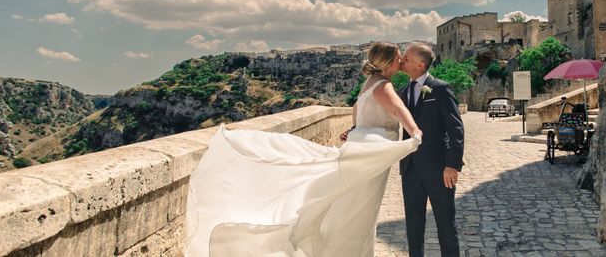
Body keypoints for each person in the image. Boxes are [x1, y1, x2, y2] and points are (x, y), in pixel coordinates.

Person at [184, 41, 422, 257]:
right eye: (400, 56)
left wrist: (354, 129)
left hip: (361, 144)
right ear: (390, 61)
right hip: (371, 151)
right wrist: (415, 133)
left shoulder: (369, 84)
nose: (402, 60)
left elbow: (357, 109)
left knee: (348, 206)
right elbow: (398, 111)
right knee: (359, 211)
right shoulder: (385, 86)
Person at [399, 42, 464, 257]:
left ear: (420, 64)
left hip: (439, 170)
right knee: (413, 227)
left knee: (445, 224)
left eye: (406, 57)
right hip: (410, 171)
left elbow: (455, 129)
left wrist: (452, 165)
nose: (401, 60)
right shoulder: (402, 92)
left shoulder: (441, 89)